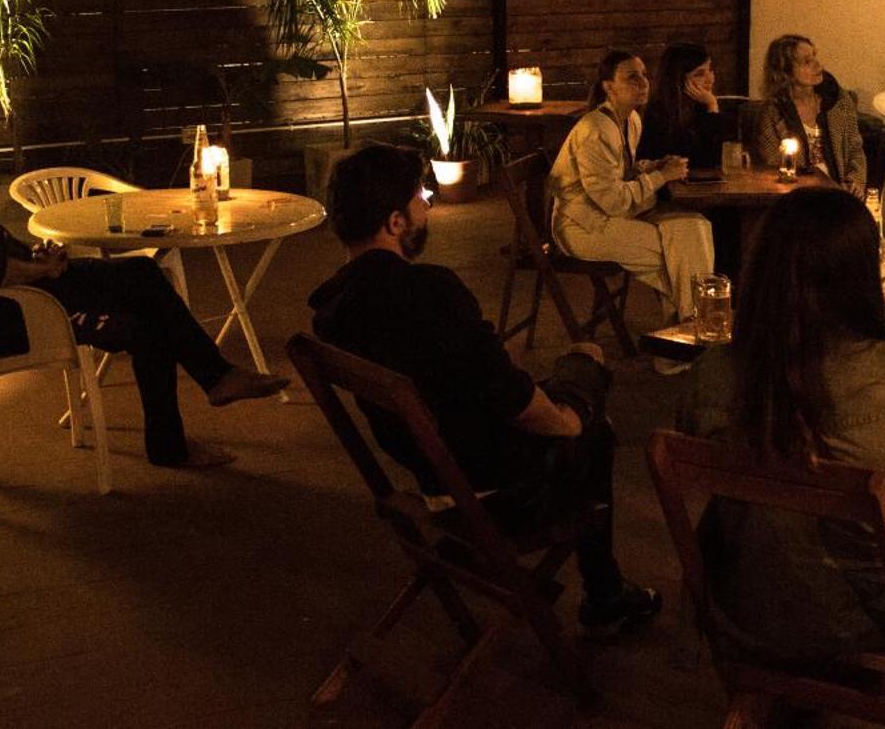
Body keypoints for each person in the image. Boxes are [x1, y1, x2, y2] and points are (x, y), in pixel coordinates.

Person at [307, 145, 663, 636]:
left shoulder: (334, 310)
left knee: (573, 373)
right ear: (394, 222)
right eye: (420, 197)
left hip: (430, 464)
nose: (427, 206)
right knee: (590, 400)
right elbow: (511, 401)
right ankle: (604, 596)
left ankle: (606, 593)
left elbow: (479, 380)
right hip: (485, 479)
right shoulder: (429, 293)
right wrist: (566, 418)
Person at [0, 78, 289, 468]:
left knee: (144, 276)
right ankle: (196, 407)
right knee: (146, 313)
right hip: (15, 316)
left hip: (19, 296)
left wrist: (35, 261)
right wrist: (35, 271)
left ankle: (210, 390)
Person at [679, 186, 885, 661]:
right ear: (862, 277)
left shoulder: (711, 375)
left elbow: (698, 467)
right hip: (877, 622)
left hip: (750, 609)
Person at [549, 50, 716, 325]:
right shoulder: (596, 130)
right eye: (631, 77)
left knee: (696, 227)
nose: (643, 82)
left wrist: (653, 166)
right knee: (680, 256)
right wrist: (660, 177)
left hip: (613, 215)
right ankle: (689, 334)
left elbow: (621, 173)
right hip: (583, 226)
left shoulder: (632, 119)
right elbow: (612, 200)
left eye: (644, 75)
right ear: (608, 86)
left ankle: (686, 331)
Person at [751, 33, 866, 196]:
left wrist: (855, 181)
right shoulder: (773, 112)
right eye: (806, 61)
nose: (818, 65)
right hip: (797, 195)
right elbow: (770, 166)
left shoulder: (837, 101)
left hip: (840, 190)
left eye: (814, 57)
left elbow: (855, 149)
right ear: (786, 71)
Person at [638, 41, 728, 169]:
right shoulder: (659, 111)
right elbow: (702, 161)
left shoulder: (704, 105)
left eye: (710, 70)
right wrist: (712, 108)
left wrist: (712, 107)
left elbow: (719, 159)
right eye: (699, 74)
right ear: (679, 79)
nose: (710, 79)